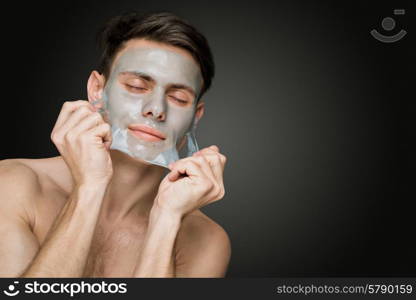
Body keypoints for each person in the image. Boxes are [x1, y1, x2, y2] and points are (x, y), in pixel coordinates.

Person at [0, 12, 230, 278]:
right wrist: (89, 189)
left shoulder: (206, 241)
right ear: (98, 89)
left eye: (178, 98)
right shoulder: (12, 185)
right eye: (136, 86)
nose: (156, 110)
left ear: (195, 116)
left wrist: (166, 220)